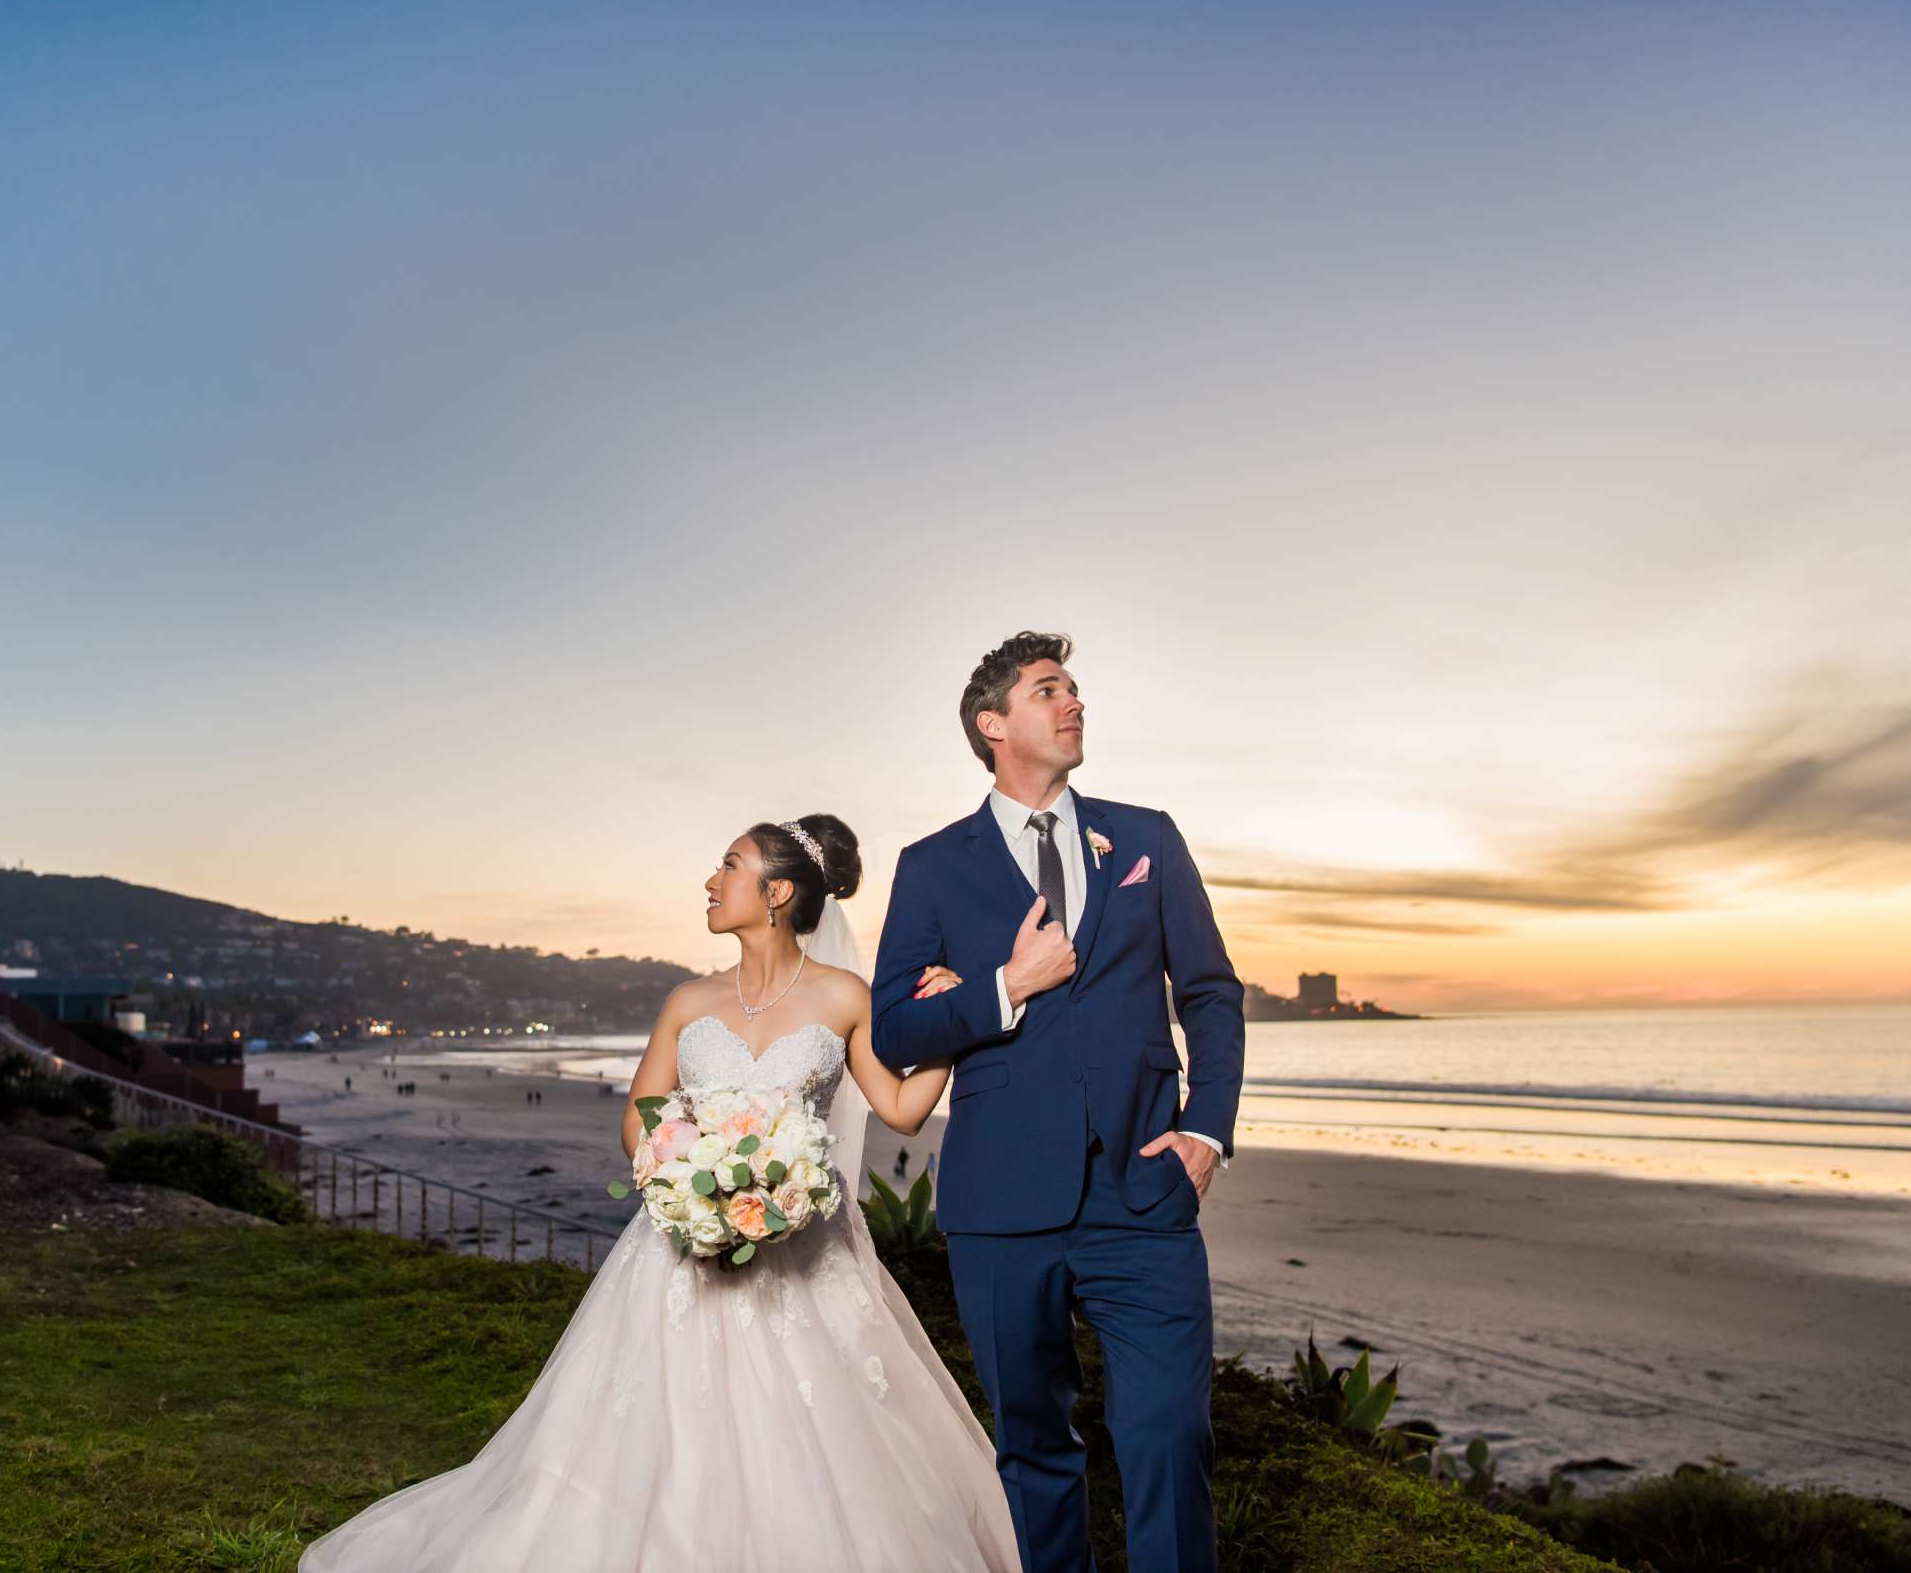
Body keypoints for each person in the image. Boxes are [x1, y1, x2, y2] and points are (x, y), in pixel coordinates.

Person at [299, 814, 1021, 1572]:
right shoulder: (688, 1000)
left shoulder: (845, 996)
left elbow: (902, 1110)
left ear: (776, 891)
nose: (711, 882)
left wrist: (947, 1028)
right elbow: (639, 1121)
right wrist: (693, 1180)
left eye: (729, 865)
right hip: (684, 1251)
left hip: (806, 1255)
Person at [870, 631, 1246, 1573]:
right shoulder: (931, 866)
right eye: (1049, 691)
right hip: (1001, 1204)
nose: (1074, 703)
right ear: (993, 724)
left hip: (1143, 1190)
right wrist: (1004, 984)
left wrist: (1205, 1130)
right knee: (1035, 1453)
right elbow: (894, 1032)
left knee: (1167, 1435)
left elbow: (1210, 993)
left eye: (1075, 689)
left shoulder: (1148, 836)